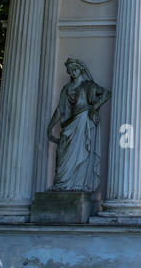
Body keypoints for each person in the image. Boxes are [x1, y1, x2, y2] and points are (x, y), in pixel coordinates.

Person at [47, 59, 111, 192]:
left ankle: (77, 184)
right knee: (62, 150)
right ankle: (61, 183)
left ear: (81, 69)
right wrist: (50, 126)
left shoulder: (88, 85)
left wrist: (95, 108)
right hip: (70, 123)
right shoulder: (66, 89)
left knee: (82, 151)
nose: (73, 72)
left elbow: (106, 93)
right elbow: (60, 109)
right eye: (70, 70)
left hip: (83, 119)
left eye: (75, 69)